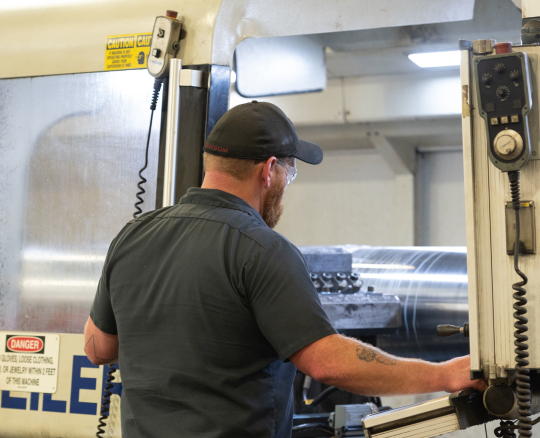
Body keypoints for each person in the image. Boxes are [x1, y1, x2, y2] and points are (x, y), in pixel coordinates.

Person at [84, 101, 486, 438]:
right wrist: (443, 375)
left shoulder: (132, 236)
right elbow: (326, 362)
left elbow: (98, 348)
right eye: (290, 172)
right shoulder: (261, 249)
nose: (287, 183)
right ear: (268, 169)